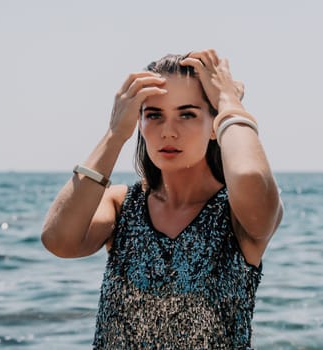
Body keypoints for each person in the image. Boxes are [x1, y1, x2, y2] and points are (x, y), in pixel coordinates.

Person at [41, 49, 283, 349]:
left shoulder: (237, 210)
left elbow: (248, 175)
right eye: (154, 115)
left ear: (215, 125)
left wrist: (229, 103)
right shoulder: (121, 204)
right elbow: (58, 240)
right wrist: (116, 134)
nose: (169, 131)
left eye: (187, 114)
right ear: (139, 123)